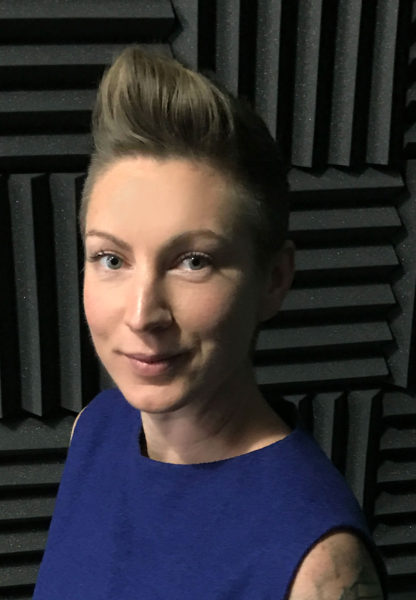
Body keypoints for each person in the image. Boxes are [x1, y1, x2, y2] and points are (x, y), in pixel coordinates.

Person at [33, 46, 386, 599]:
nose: (143, 313)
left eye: (193, 261)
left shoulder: (320, 570)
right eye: (112, 259)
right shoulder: (95, 430)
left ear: (273, 279)